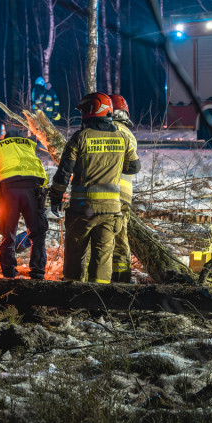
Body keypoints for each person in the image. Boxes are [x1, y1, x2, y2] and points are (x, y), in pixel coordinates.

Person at [48, 92, 140, 283]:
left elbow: (64, 173)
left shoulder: (80, 138)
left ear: (91, 111)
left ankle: (72, 294)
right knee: (102, 257)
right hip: (111, 211)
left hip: (82, 210)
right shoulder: (122, 137)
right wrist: (113, 165)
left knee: (75, 255)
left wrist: (56, 197)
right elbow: (134, 167)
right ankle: (98, 297)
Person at [0, 126, 49, 279]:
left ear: (5, 138)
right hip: (32, 189)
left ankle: (9, 273)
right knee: (38, 234)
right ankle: (38, 273)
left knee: (8, 233)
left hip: (9, 190)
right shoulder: (28, 146)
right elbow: (42, 174)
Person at [109, 94, 138, 283]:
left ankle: (100, 279)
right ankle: (122, 279)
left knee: (102, 237)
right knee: (120, 237)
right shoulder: (129, 134)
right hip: (125, 194)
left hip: (108, 191)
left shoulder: (106, 130)